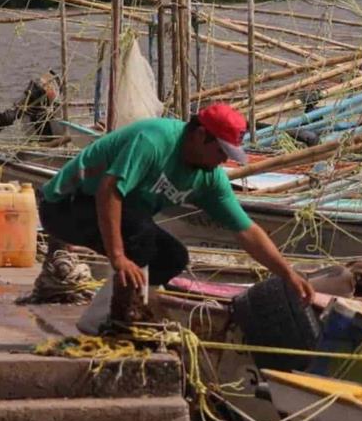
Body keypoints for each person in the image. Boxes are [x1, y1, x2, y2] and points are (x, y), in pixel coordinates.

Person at [38, 103, 315, 330]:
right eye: (220, 151)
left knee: (173, 257)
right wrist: (119, 257)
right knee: (141, 233)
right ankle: (119, 318)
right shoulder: (154, 141)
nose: (222, 161)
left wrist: (287, 274)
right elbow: (108, 191)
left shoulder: (208, 178)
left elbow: (247, 231)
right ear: (199, 135)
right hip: (64, 205)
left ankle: (103, 318)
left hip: (121, 215)